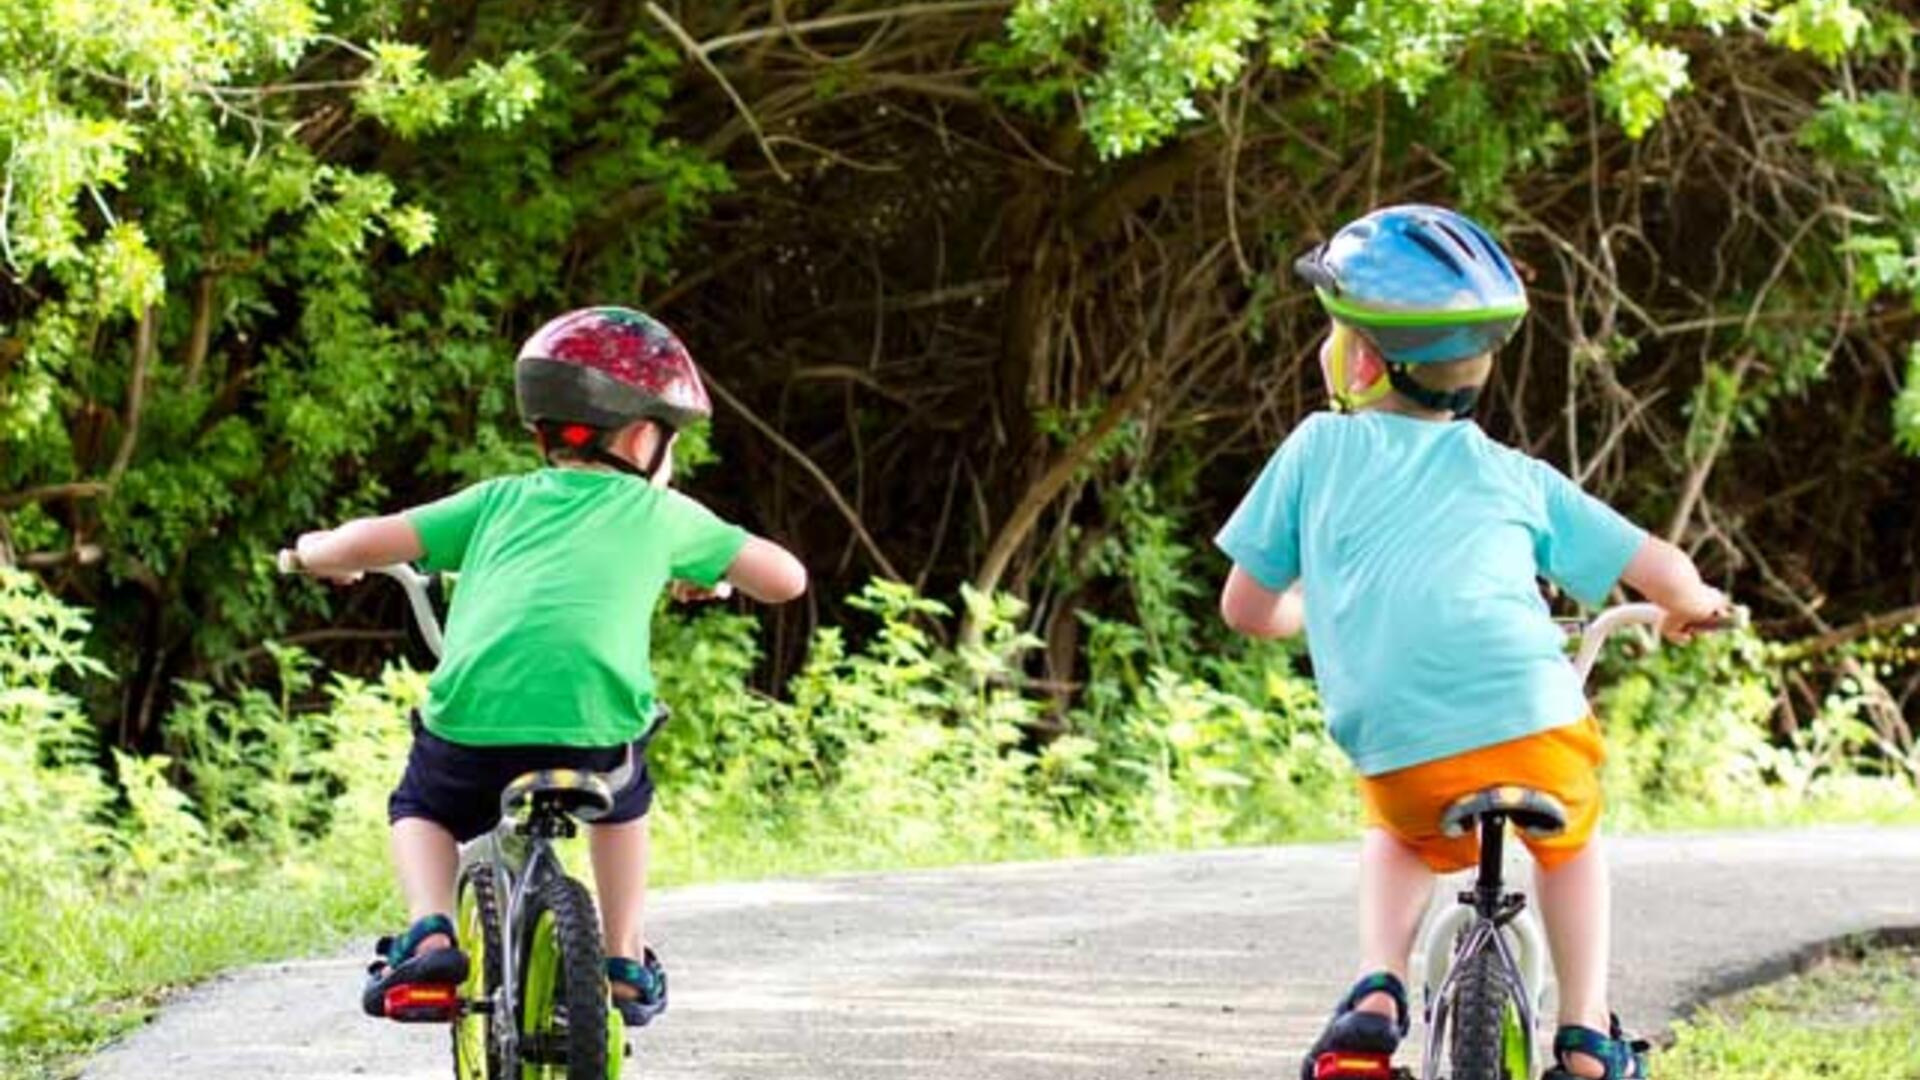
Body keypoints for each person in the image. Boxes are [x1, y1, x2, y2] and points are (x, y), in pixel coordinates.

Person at [1213, 206, 1727, 1080]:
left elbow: (1247, 610)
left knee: (1401, 833)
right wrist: (1691, 604)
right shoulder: (1516, 476)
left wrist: (1313, 610)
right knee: (1569, 844)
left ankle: (1374, 996)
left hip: (1396, 740)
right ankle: (1587, 1032)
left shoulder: (1314, 449)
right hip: (1533, 720)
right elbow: (1662, 566)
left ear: (1363, 362)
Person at [284, 306, 807, 1028]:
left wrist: (316, 552)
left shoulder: (495, 501)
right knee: (624, 804)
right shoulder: (663, 515)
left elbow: (368, 541)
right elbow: (786, 580)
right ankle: (623, 961)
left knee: (423, 808)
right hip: (592, 734)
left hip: (473, 725)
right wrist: (711, 569)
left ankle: (429, 933)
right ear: (638, 435)